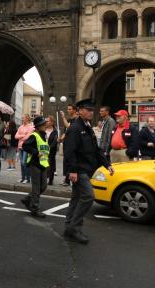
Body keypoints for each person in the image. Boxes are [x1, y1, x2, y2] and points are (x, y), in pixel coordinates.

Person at [63, 99, 114, 244]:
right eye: (88, 110)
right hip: (79, 170)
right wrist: (72, 171)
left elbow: (96, 150)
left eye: (92, 110)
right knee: (88, 197)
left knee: (76, 199)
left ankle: (68, 228)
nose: (91, 112)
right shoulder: (74, 128)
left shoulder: (87, 127)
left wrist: (107, 164)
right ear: (79, 111)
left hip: (87, 169)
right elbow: (69, 151)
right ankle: (75, 227)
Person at [20, 116, 50, 218]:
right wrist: (35, 152)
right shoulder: (34, 135)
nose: (45, 125)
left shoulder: (44, 135)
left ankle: (28, 199)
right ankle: (34, 209)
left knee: (43, 186)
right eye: (43, 124)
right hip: (35, 164)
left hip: (43, 164)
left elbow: (45, 149)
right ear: (38, 126)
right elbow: (25, 146)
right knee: (37, 188)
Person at [15, 114, 35, 183]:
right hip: (20, 146)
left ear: (27, 119)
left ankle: (27, 178)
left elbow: (28, 137)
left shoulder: (31, 127)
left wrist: (21, 136)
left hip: (26, 147)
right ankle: (22, 177)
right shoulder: (20, 127)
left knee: (25, 163)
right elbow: (16, 136)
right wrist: (23, 135)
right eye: (22, 118)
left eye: (23, 118)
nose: (22, 119)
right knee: (21, 163)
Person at [45, 116, 59, 185]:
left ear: (52, 122)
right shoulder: (43, 130)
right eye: (46, 121)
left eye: (48, 121)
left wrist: (49, 149)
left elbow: (54, 142)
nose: (46, 122)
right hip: (43, 150)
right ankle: (44, 178)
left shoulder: (55, 131)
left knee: (51, 165)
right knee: (43, 165)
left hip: (51, 151)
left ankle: (50, 180)